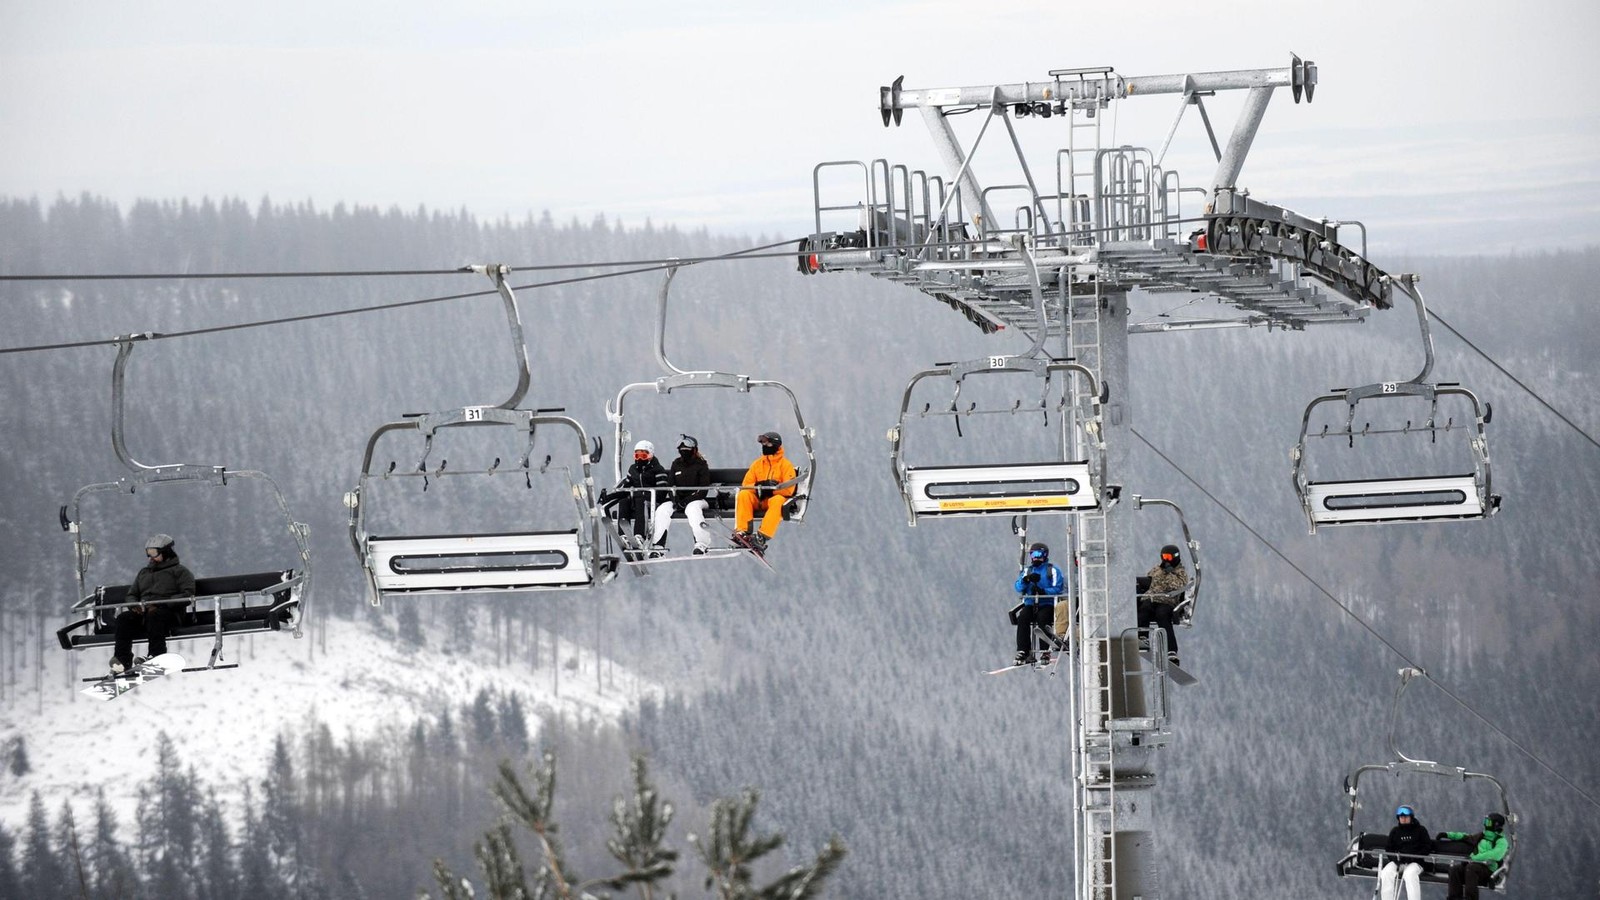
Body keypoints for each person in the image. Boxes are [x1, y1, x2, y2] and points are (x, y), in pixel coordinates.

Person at [111, 534, 195, 674]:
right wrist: (134, 605)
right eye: (148, 553)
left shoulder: (179, 571)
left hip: (170, 614)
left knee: (155, 615)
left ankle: (156, 655)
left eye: (154, 553)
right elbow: (132, 594)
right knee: (123, 619)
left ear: (166, 552)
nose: (151, 557)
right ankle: (122, 661)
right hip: (145, 614)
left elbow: (187, 594)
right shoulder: (144, 573)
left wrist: (163, 604)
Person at [601, 440, 673, 558]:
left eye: (643, 455)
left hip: (652, 501)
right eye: (637, 455)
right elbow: (626, 488)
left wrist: (649, 496)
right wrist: (609, 497)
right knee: (624, 501)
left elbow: (662, 489)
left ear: (650, 455)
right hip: (636, 499)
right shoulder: (633, 469)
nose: (640, 458)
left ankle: (639, 536)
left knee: (641, 501)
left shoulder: (658, 469)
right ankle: (624, 535)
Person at [731, 431, 797, 553]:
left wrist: (772, 491)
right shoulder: (757, 464)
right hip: (758, 499)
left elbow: (789, 489)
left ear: (776, 445)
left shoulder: (785, 465)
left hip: (773, 502)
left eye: (768, 444)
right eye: (763, 443)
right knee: (744, 494)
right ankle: (743, 531)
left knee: (778, 500)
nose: (764, 446)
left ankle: (762, 536)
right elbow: (746, 485)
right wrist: (758, 487)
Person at [651, 434, 713, 556]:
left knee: (692, 509)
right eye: (681, 447)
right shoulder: (676, 464)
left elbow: (703, 489)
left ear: (694, 449)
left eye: (687, 446)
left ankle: (702, 543)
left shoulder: (701, 465)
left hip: (698, 499)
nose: (684, 449)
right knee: (663, 509)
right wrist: (675, 500)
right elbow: (670, 485)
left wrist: (686, 501)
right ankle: (658, 546)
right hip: (678, 500)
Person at [1012, 542, 1065, 665]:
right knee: (1023, 618)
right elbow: (1018, 587)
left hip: (1047, 603)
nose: (1036, 557)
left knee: (1043, 618)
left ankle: (1045, 649)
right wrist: (1026, 580)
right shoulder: (1028, 571)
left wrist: (1043, 591)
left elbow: (1058, 588)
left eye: (1039, 554)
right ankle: (1023, 650)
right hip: (1031, 604)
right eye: (1033, 554)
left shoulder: (1052, 570)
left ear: (1045, 555)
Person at [1138, 543, 1189, 666]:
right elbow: (1150, 580)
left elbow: (1178, 585)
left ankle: (1171, 651)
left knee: (1162, 615)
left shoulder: (1180, 572)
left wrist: (1169, 573)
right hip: (1152, 597)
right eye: (1165, 557)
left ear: (1176, 557)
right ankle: (1142, 638)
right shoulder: (1157, 568)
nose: (1167, 560)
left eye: (1169, 557)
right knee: (1144, 609)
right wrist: (1162, 571)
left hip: (1167, 600)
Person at [1439, 812, 1508, 900]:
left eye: (1488, 822)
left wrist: (1474, 858)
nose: (1485, 824)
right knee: (1455, 869)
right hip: (1474, 867)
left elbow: (1495, 855)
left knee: (1471, 868)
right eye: (1485, 821)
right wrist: (1448, 835)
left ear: (1496, 825)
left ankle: (1471, 898)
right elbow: (1466, 837)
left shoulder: (1501, 841)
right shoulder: (1482, 835)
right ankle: (1454, 897)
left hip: (1488, 870)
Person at [1378, 804, 1434, 900]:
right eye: (1401, 817)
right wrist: (1395, 859)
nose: (1403, 819)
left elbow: (1427, 846)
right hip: (1399, 861)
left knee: (1409, 874)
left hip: (1416, 862)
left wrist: (1415, 856)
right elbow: (1389, 848)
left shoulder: (1420, 830)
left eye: (1406, 817)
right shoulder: (1395, 831)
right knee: (1386, 873)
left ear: (1411, 817)